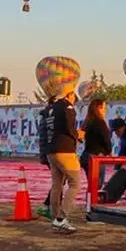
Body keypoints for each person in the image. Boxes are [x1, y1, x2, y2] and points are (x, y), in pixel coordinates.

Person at [45, 89, 82, 234]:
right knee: (75, 183)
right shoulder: (67, 107)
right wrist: (78, 135)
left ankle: (55, 218)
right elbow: (70, 127)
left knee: (57, 185)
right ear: (70, 95)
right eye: (74, 99)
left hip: (51, 151)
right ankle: (61, 219)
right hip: (65, 151)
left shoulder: (50, 109)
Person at [79, 99, 112, 188]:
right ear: (98, 108)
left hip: (86, 155)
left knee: (92, 186)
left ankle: (89, 201)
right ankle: (93, 202)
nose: (105, 111)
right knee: (97, 186)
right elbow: (106, 139)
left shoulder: (88, 121)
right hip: (96, 157)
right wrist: (108, 151)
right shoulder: (100, 122)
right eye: (104, 108)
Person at [36, 98, 55, 219]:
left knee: (59, 181)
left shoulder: (45, 118)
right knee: (59, 181)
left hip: (48, 153)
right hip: (51, 153)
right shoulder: (49, 119)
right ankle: (49, 206)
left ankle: (49, 206)